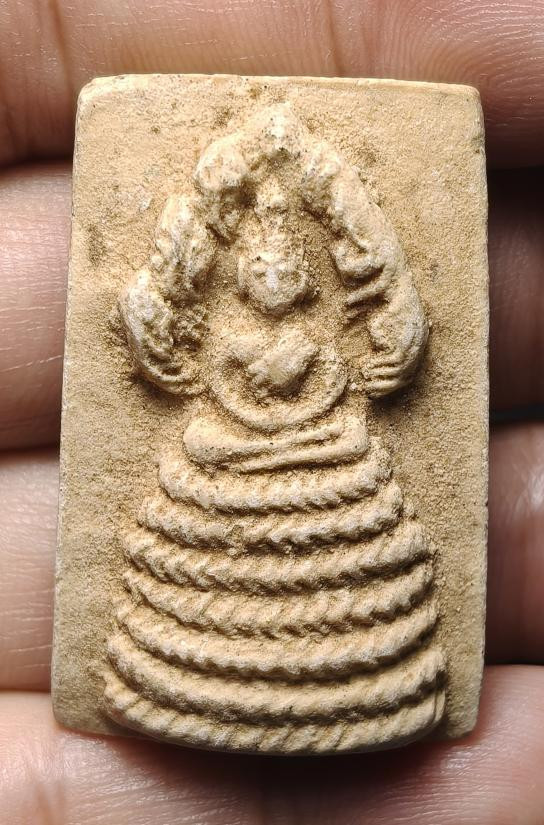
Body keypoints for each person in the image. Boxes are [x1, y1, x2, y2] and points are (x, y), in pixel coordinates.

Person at [0, 1, 543, 822]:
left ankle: (350, 679)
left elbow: (354, 361)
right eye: (259, 264)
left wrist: (343, 344)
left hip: (323, 465)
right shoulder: (221, 323)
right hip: (231, 466)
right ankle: (194, 674)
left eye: (290, 266)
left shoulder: (325, 328)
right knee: (197, 560)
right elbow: (194, 355)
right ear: (239, 270)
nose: (275, 275)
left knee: (350, 571)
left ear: (312, 274)